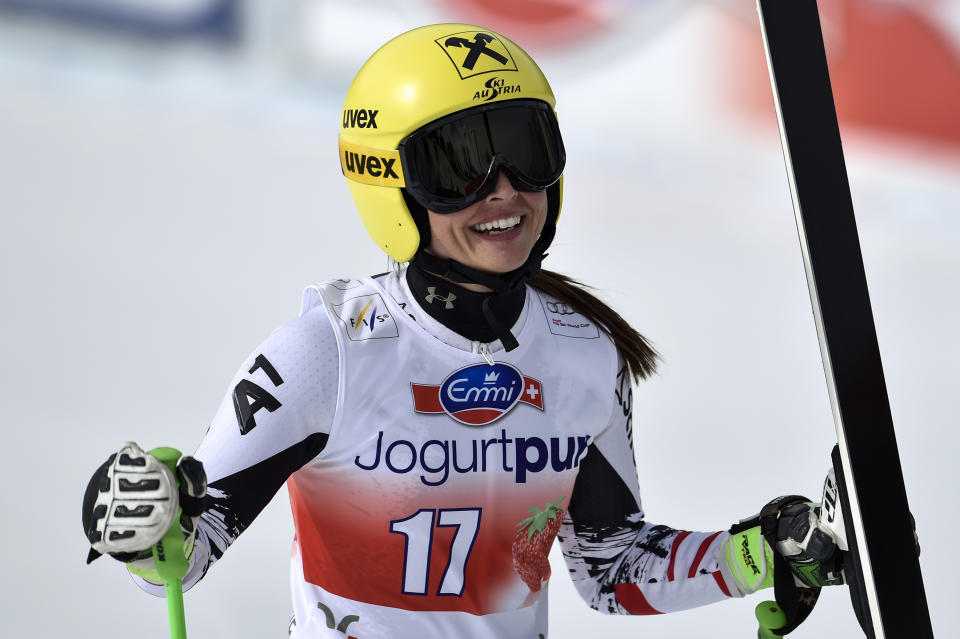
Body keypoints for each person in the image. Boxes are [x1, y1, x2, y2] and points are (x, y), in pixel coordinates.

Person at [81, 23, 843, 638]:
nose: (503, 189)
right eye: (458, 166)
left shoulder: (583, 355)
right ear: (391, 188)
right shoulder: (332, 353)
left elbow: (610, 567)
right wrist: (146, 523)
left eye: (525, 150)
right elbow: (185, 549)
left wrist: (760, 553)